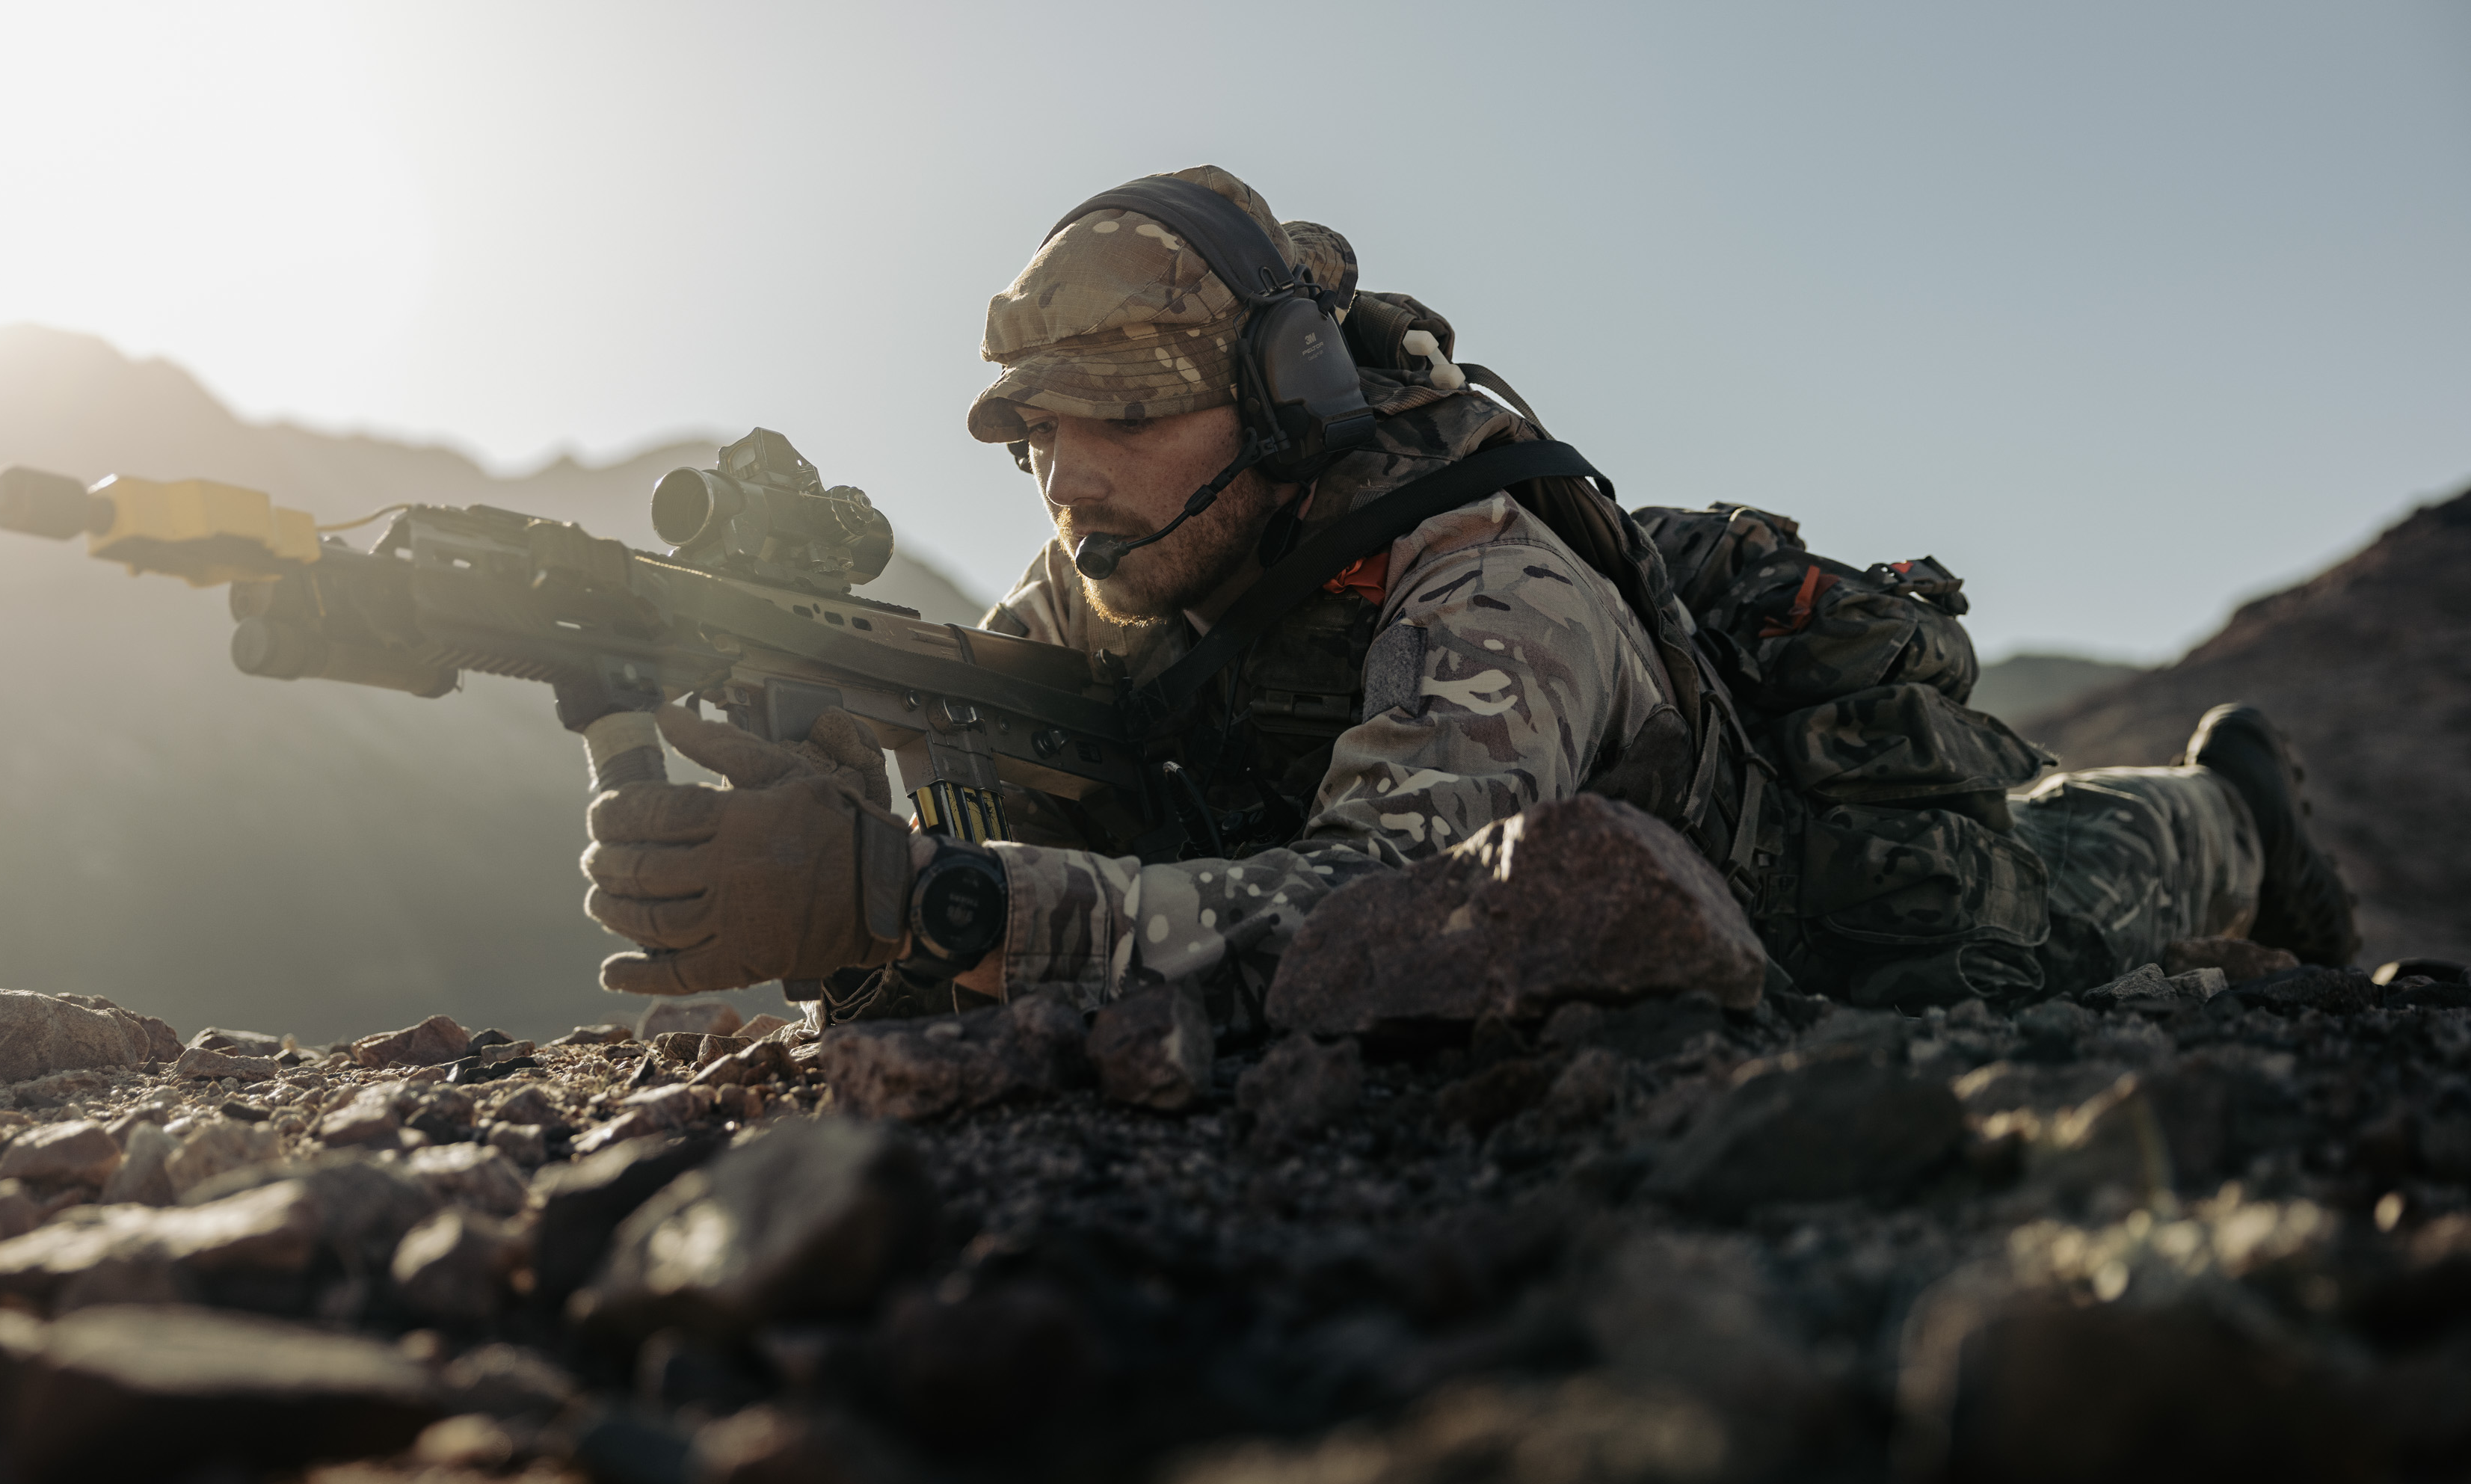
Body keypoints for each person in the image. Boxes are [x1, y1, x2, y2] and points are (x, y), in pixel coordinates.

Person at [577, 165, 2355, 1027]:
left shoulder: (1490, 579)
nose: (1072, 475)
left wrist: (939, 899)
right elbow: (1042, 733)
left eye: (1125, 414)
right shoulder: (1122, 550)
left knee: (2066, 895)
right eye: (1036, 431)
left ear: (1284, 403)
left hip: (1797, 901)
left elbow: (1395, 916)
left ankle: (2246, 813)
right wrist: (831, 759)